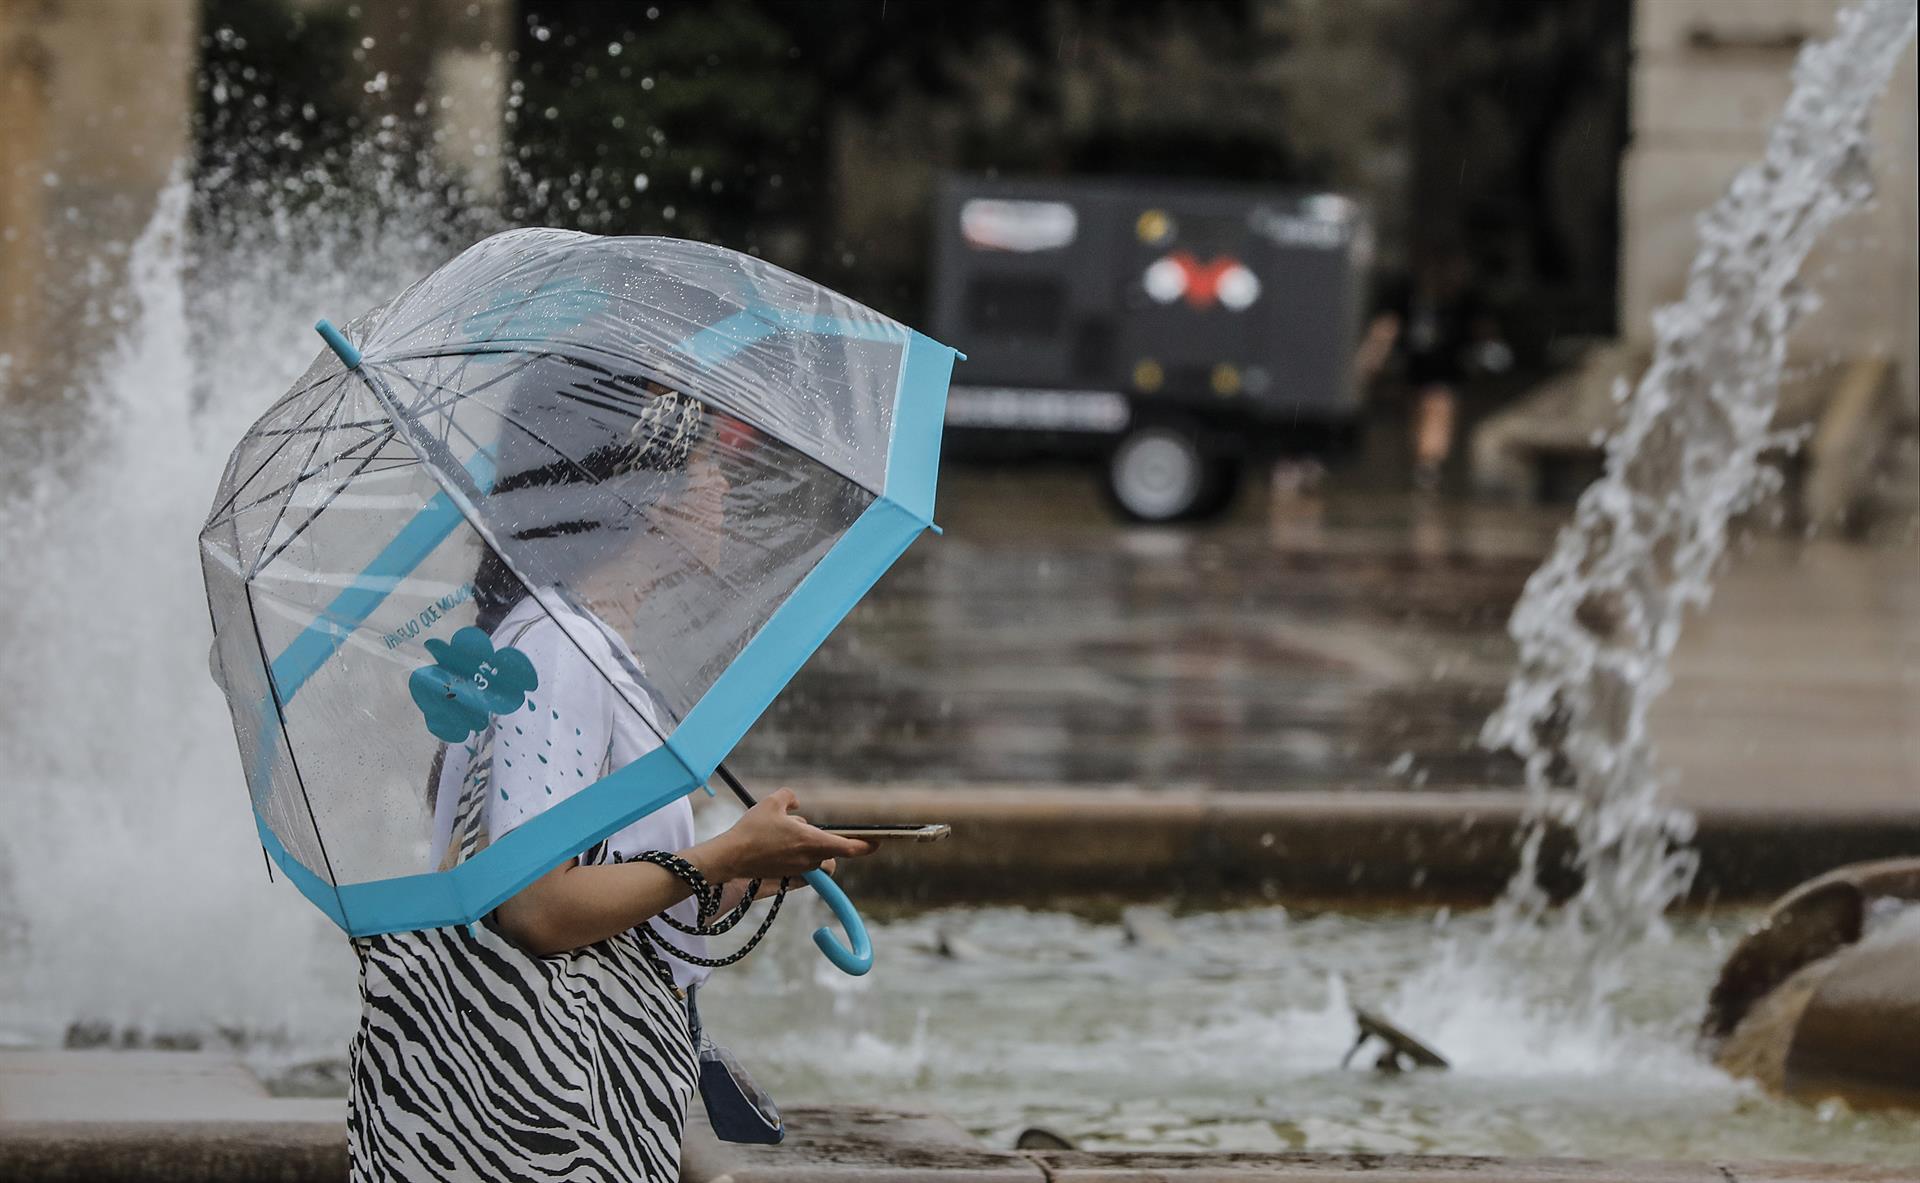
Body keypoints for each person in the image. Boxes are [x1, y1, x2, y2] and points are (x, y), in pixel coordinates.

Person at [348, 370, 873, 1182]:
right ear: (648, 495)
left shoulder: (574, 642)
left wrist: (756, 870)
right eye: (706, 463)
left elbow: (607, 890)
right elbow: (534, 906)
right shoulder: (557, 653)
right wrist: (724, 855)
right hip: (539, 1117)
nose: (725, 484)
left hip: (569, 1100)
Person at [1356, 246, 1508, 493]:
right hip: (1414, 365)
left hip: (1448, 365)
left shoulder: (1466, 300)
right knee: (1418, 410)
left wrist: (1492, 353)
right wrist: (1371, 359)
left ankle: (1429, 464)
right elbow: (1386, 328)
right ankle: (1423, 461)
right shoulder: (1405, 294)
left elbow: (1484, 329)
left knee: (1438, 405)